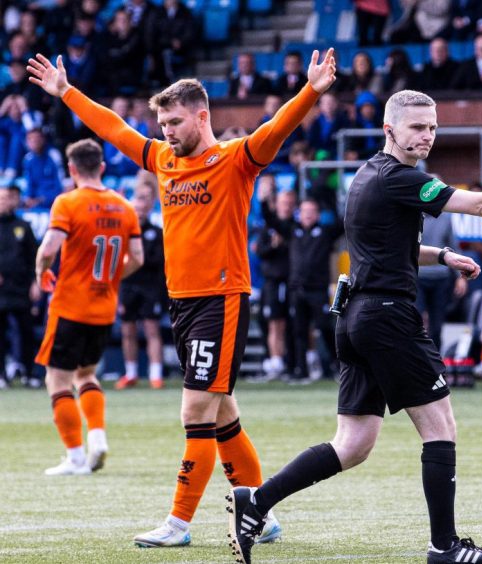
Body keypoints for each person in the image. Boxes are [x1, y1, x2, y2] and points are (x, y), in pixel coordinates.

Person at [226, 89, 482, 564]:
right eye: (417, 128)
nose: (427, 136)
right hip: (388, 316)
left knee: (353, 444)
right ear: (390, 130)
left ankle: (257, 500)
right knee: (440, 426)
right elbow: (481, 205)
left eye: (432, 127)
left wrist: (442, 255)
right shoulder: (401, 178)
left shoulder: (367, 176)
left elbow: (384, 246)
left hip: (356, 318)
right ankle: (444, 547)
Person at [27, 46, 338, 546]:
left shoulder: (235, 159)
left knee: (195, 411)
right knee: (223, 414)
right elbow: (113, 129)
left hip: (221, 298)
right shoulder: (163, 159)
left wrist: (310, 91)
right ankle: (263, 513)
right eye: (162, 123)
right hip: (184, 302)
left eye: (174, 122)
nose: (166, 131)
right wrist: (66, 93)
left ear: (202, 115)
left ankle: (178, 523)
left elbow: (274, 130)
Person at [34, 139, 144, 475]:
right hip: (103, 306)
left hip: (70, 305)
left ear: (71, 169)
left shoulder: (67, 202)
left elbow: (50, 246)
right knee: (87, 374)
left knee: (58, 379)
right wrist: (111, 278)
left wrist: (41, 271)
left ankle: (76, 456)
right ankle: (97, 437)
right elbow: (137, 258)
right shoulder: (125, 206)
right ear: (102, 167)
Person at [261, 194, 342, 381]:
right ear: (299, 213)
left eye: (311, 211)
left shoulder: (325, 233)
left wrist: (331, 198)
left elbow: (343, 222)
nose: (307, 215)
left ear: (318, 215)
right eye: (304, 211)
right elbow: (271, 221)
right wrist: (265, 200)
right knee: (298, 330)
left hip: (318, 289)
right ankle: (302, 371)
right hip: (296, 289)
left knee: (324, 326)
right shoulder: (292, 230)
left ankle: (336, 366)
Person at [115, 180, 167, 390]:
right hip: (127, 286)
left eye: (141, 207)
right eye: (134, 208)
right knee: (127, 330)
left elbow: (156, 261)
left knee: (151, 329)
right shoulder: (122, 233)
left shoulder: (156, 232)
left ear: (148, 208)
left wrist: (136, 260)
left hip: (150, 288)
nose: (138, 212)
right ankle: (131, 372)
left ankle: (155, 373)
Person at [0, 185, 40, 388]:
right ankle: (2, 376)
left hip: (21, 287)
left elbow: (34, 257)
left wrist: (35, 282)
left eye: (8, 198)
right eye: (2, 198)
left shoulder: (23, 226)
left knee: (26, 331)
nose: (5, 202)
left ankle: (29, 373)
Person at [253, 177, 293, 380]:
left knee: (282, 323)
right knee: (271, 321)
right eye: (283, 203)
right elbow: (259, 250)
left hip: (287, 282)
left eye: (289, 204)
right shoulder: (269, 228)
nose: (286, 207)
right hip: (270, 282)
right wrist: (273, 246)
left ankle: (282, 361)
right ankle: (275, 361)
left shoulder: (292, 227)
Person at [416, 209, 465, 350]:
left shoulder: (446, 218)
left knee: (437, 326)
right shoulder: (414, 214)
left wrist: (459, 277)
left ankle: (435, 363)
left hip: (441, 279)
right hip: (418, 277)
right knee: (417, 322)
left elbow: (453, 247)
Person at [22, 128, 64, 209]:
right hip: (35, 200)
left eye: (37, 138)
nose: (34, 141)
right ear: (27, 142)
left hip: (52, 199)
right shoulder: (28, 159)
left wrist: (42, 199)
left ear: (43, 139)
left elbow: (60, 184)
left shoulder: (53, 155)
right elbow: (29, 183)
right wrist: (28, 198)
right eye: (31, 139)